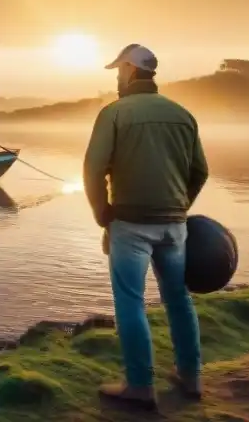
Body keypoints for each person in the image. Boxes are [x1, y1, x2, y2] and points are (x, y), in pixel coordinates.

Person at [83, 43, 209, 410]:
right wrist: (180, 205)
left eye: (118, 71)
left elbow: (93, 170)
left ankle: (139, 385)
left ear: (129, 70)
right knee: (178, 299)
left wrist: (101, 213)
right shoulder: (182, 114)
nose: (117, 78)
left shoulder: (114, 113)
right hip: (174, 224)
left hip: (131, 223)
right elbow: (200, 171)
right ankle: (191, 375)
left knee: (130, 302)